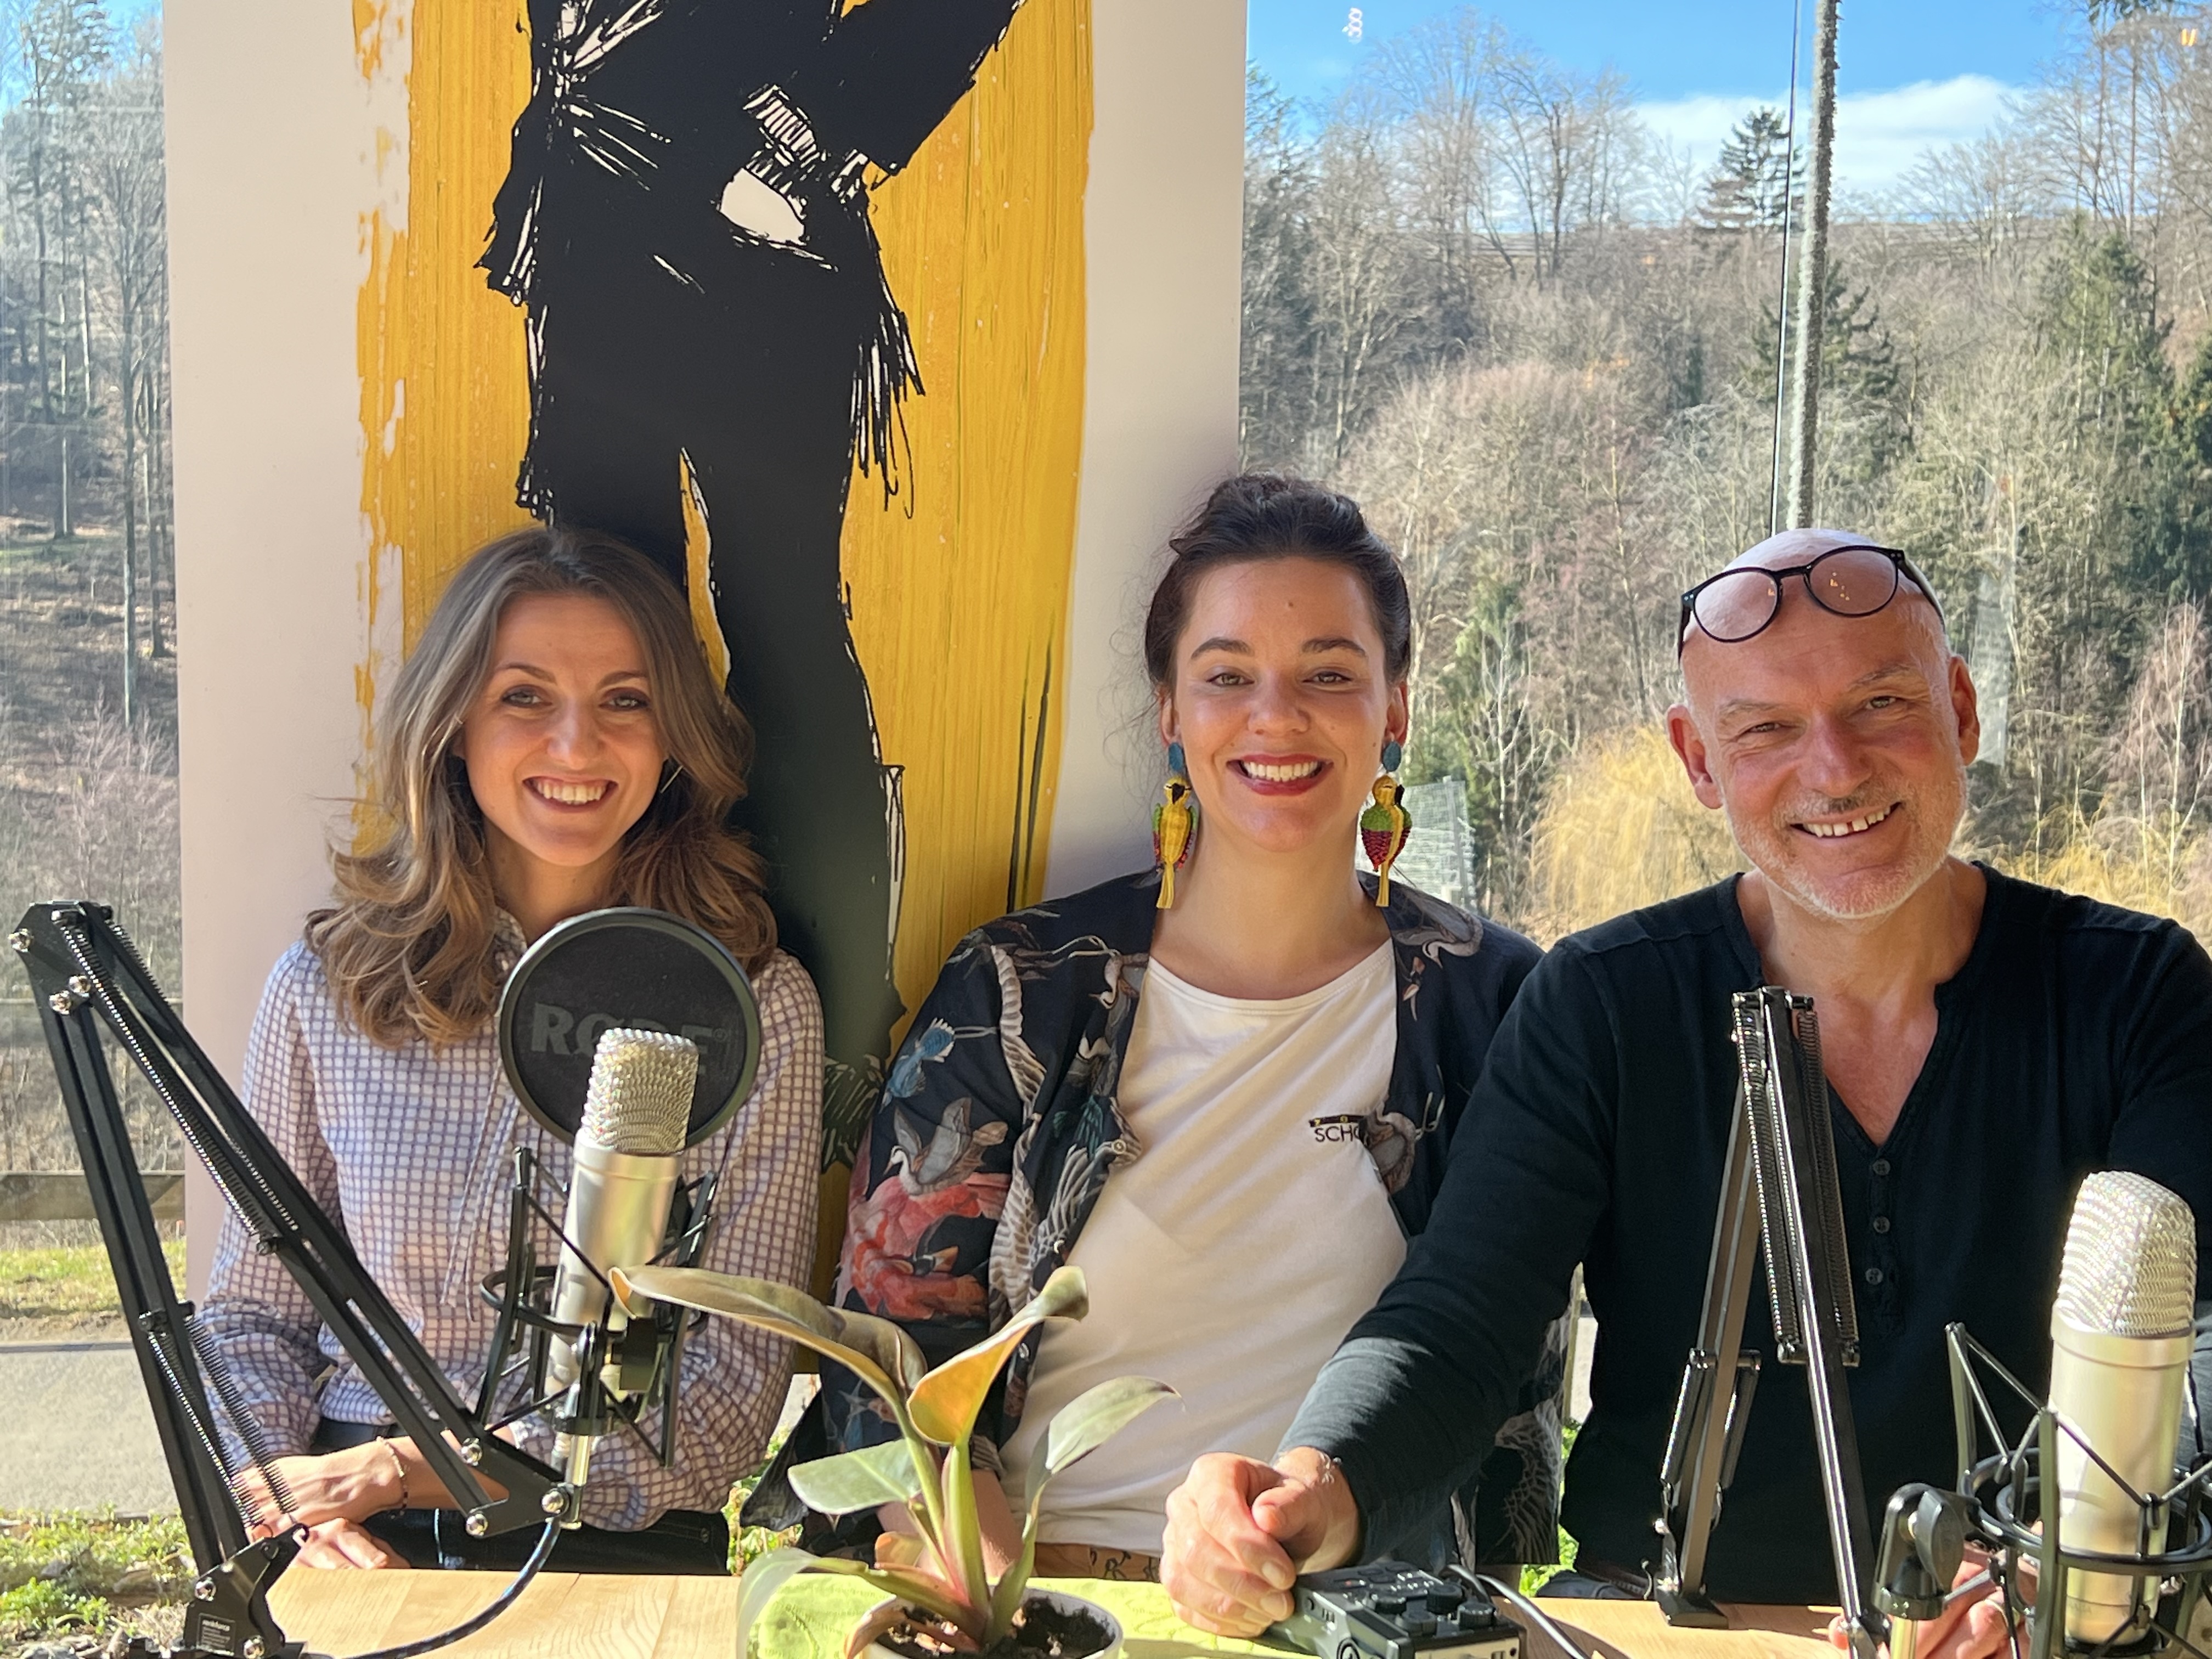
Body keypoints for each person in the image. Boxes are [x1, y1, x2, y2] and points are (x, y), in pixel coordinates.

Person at [1160, 529, 2212, 1655]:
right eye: (1763, 729)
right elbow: (1462, 1326)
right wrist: (1313, 1483)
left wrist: (2068, 1564)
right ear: (1699, 761)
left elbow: (2195, 1340)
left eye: (1881, 705)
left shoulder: (2138, 991)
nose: (1835, 768)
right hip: (1652, 1628)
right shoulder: (1600, 1005)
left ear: (1961, 708)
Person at [777, 474, 1561, 1582]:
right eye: (1227, 676)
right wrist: (997, 1602)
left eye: (1328, 674)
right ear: (1169, 711)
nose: (1275, 717)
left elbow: (1483, 1344)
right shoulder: (1022, 992)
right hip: (1036, 1596)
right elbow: (891, 1358)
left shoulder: (1498, 1005)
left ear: (1395, 709)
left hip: (1352, 1614)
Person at [198, 527, 823, 1573]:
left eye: (625, 700)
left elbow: (726, 1397)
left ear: (673, 737)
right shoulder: (327, 989)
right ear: (452, 726)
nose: (576, 747)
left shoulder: (753, 1005)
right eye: (524, 697)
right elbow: (251, 1316)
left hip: (613, 1543)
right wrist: (291, 1504)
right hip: (345, 1530)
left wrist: (419, 1467)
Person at [483, 0, 1026, 1102]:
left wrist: (819, 119)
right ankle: (604, 1024)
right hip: (590, 224)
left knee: (782, 629)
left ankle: (830, 1036)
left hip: (761, 240)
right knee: (608, 648)